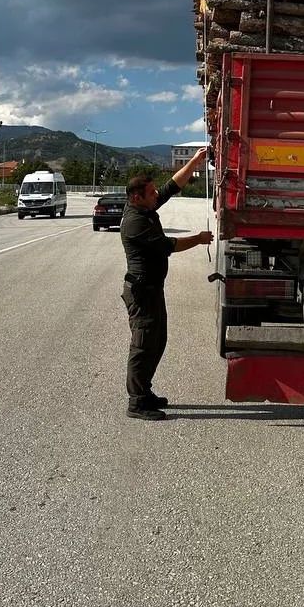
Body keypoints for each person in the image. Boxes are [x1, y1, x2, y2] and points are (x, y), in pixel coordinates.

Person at [119, 147, 213, 420]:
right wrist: (198, 238)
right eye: (151, 194)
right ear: (137, 197)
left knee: (157, 341)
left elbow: (171, 187)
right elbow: (166, 246)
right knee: (143, 345)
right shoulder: (135, 222)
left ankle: (144, 392)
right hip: (141, 291)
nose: (155, 195)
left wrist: (195, 162)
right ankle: (136, 402)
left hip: (151, 289)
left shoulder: (143, 206)